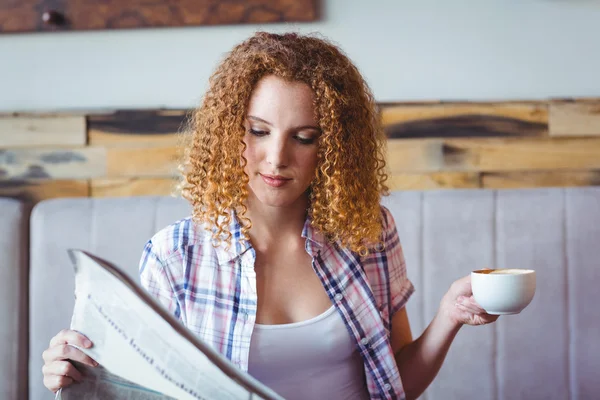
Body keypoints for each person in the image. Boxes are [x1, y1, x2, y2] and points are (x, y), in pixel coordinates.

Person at [42, 31, 498, 400]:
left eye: (304, 137)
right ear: (228, 132)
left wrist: (447, 317)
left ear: (333, 149)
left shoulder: (369, 232)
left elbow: (397, 386)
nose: (276, 158)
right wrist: (77, 374)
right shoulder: (173, 256)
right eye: (258, 131)